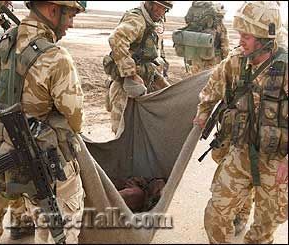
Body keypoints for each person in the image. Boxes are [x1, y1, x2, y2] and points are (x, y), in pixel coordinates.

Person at [0, 1, 86, 243]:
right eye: (71, 15)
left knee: (39, 220)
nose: (71, 24)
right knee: (61, 227)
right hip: (45, 160)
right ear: (54, 10)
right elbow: (76, 119)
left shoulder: (6, 41)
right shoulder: (56, 56)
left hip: (12, 150)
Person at [193, 1, 288, 243]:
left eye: (246, 35)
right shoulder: (236, 61)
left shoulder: (286, 69)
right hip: (240, 150)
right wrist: (203, 112)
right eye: (240, 34)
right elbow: (210, 90)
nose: (240, 40)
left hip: (276, 159)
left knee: (266, 225)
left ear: (264, 39)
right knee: (216, 215)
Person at [0, 1, 36, 242]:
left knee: (17, 164)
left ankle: (20, 219)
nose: (9, 2)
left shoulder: (1, 22)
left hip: (2, 109)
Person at [103, 1, 173, 134]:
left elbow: (148, 59)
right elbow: (117, 38)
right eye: (159, 6)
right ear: (149, 4)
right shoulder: (137, 19)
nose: (161, 11)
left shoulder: (151, 24)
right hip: (126, 89)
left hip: (145, 86)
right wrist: (131, 74)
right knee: (124, 136)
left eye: (164, 9)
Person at [183, 1, 230, 74]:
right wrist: (226, 61)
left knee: (195, 80)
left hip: (196, 59)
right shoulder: (220, 26)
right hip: (213, 60)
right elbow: (225, 47)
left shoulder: (197, 24)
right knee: (210, 82)